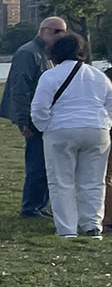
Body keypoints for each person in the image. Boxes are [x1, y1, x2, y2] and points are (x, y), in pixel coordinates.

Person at [29, 32, 112, 239]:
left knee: (61, 181)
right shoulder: (98, 76)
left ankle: (67, 229)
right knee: (94, 181)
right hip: (96, 130)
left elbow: (39, 109)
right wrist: (103, 124)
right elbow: (109, 106)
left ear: (54, 53)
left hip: (61, 130)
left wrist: (46, 127)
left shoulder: (50, 76)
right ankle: (92, 225)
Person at [1, 16, 69, 218]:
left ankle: (40, 205)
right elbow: (19, 88)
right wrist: (23, 120)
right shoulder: (28, 53)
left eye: (63, 32)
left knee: (47, 162)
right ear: (43, 30)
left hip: (43, 116)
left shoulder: (45, 54)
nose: (61, 36)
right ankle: (30, 207)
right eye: (57, 31)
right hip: (32, 117)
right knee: (37, 163)